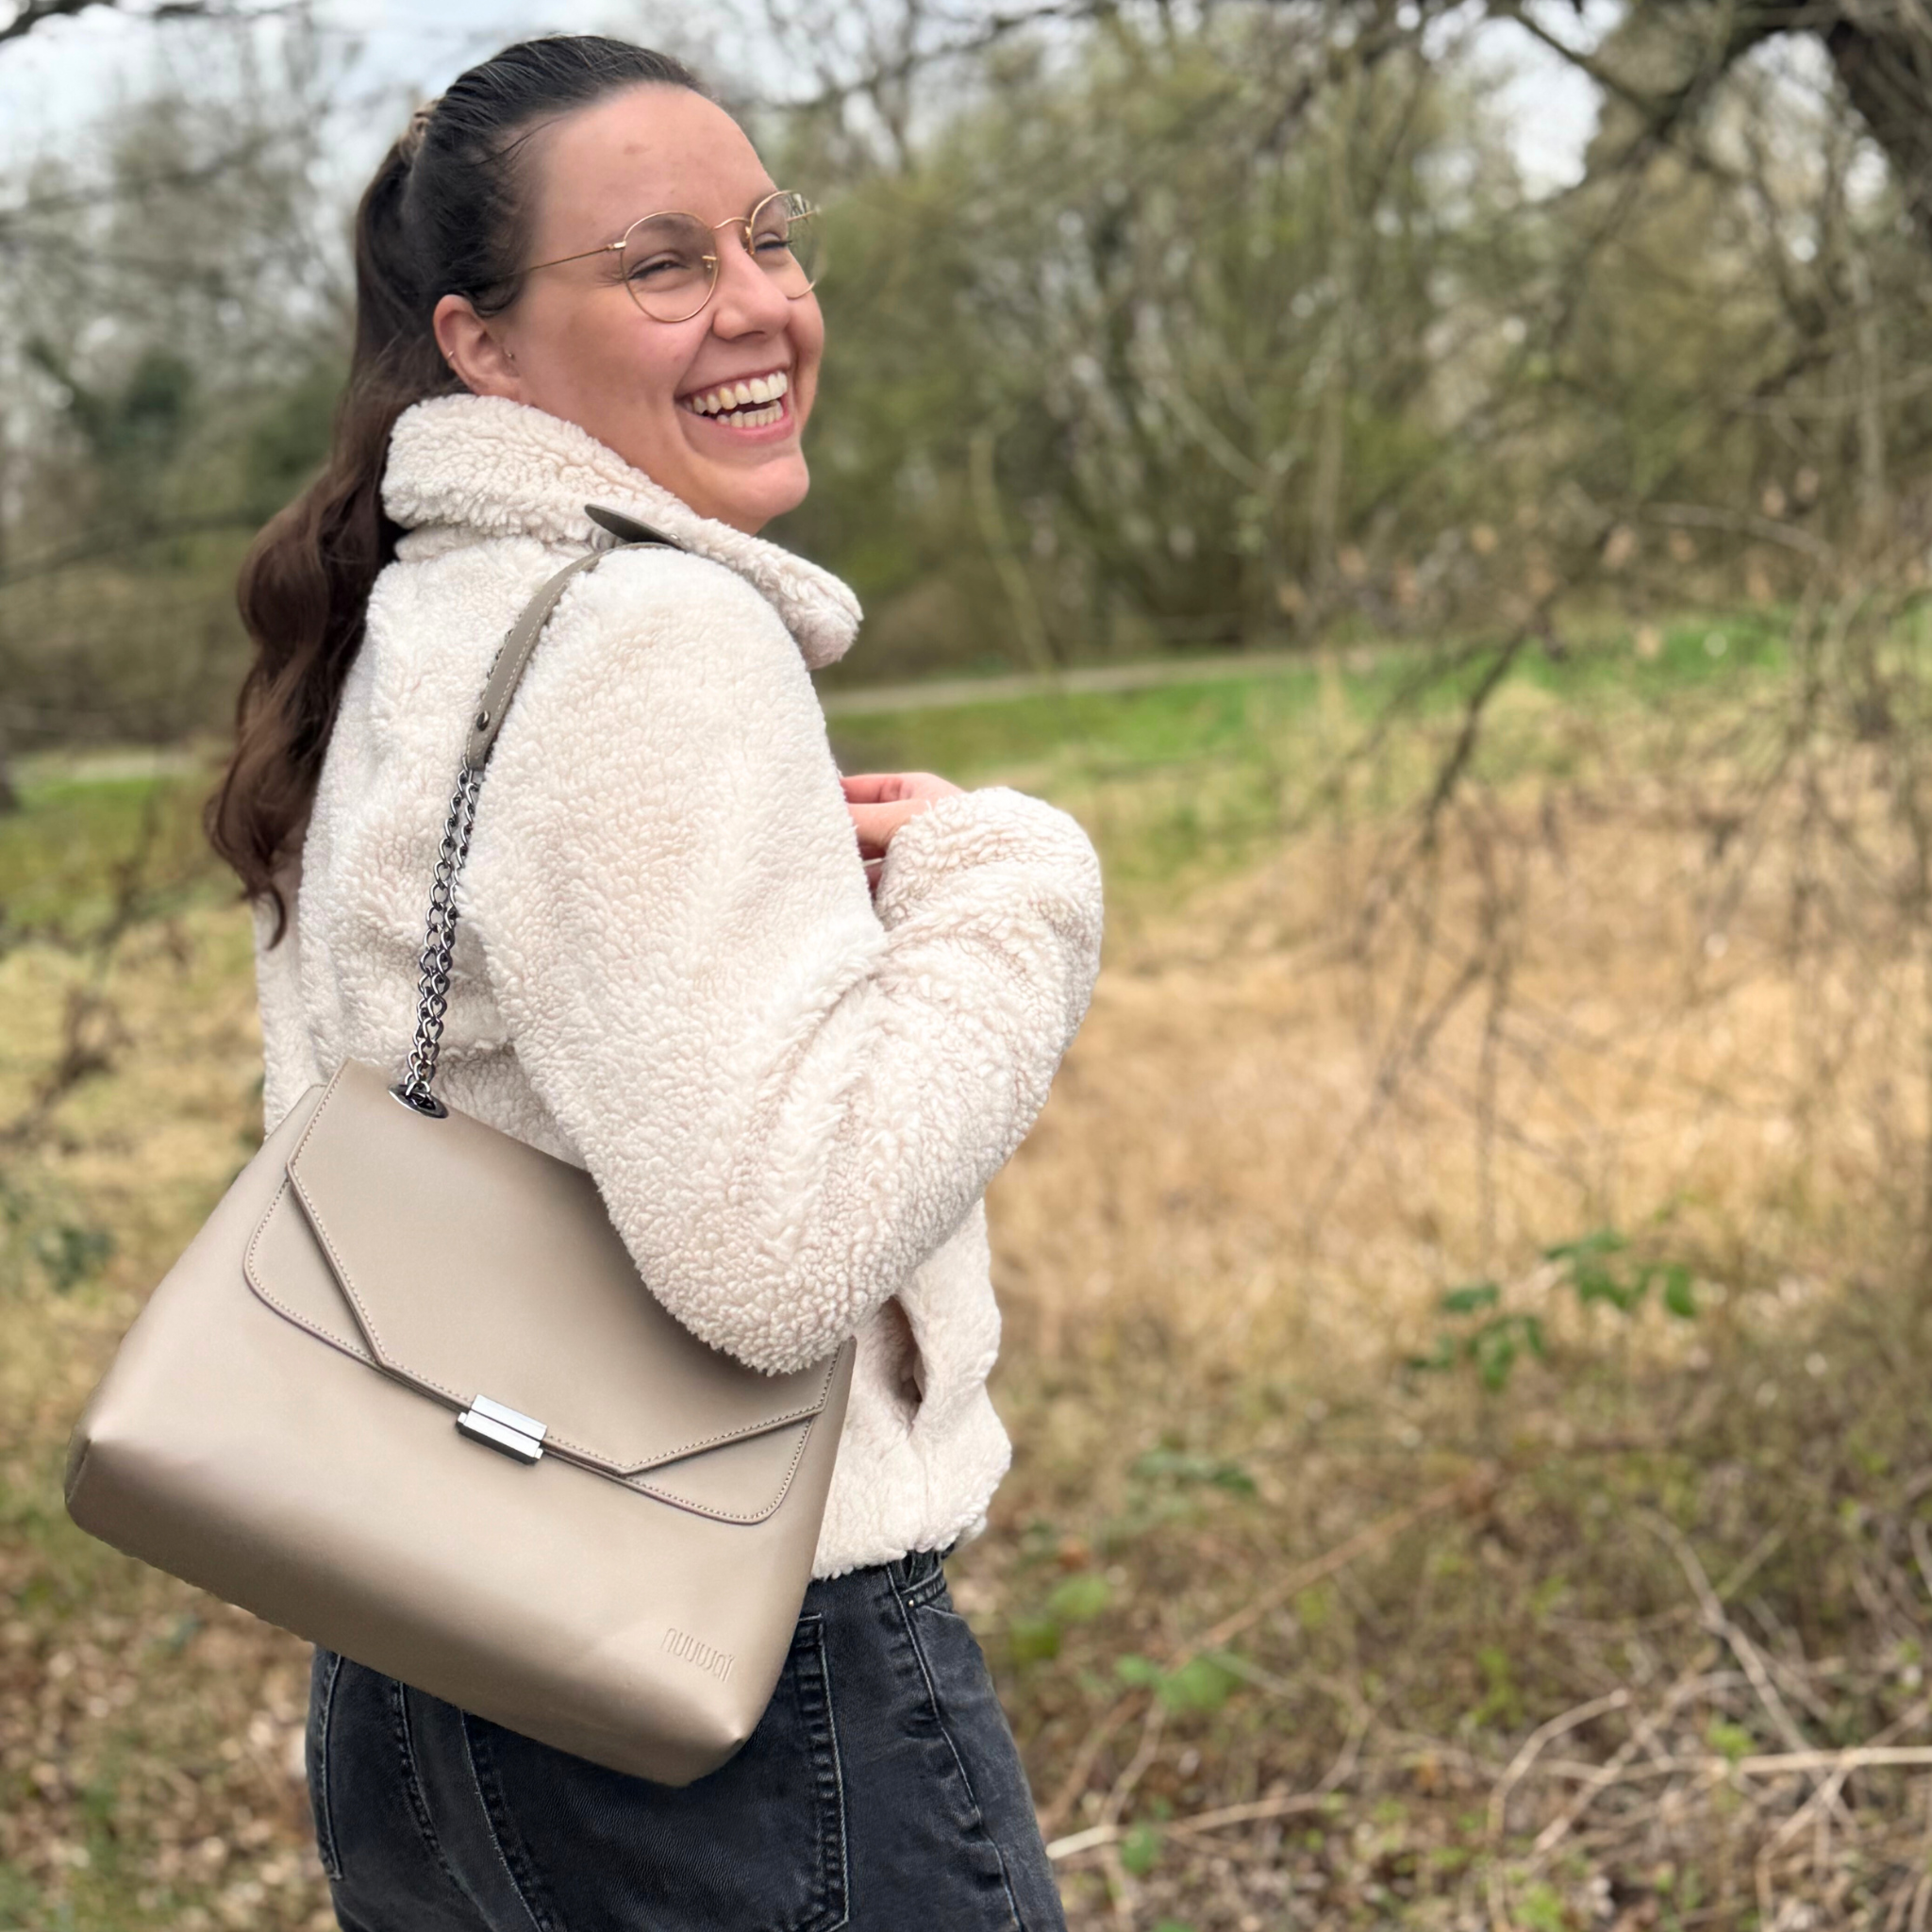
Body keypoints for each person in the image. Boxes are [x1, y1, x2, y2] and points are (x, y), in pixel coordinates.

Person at [205, 32, 1103, 1932]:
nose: (759, 303)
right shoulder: (651, 638)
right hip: (719, 1676)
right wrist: (1013, 888)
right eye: (662, 264)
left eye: (769, 237)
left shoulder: (404, 617)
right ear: (481, 343)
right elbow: (777, 1257)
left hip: (416, 1654)